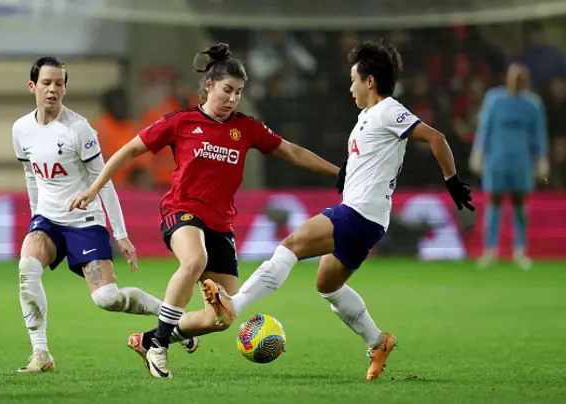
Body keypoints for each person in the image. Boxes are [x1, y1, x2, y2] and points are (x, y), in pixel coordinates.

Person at [201, 40, 475, 381]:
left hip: (360, 214)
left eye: (354, 80)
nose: (350, 87)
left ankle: (234, 305)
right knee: (327, 285)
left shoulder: (389, 110)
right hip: (366, 217)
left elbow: (436, 138)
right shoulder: (367, 117)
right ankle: (378, 341)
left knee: (290, 246)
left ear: (370, 81)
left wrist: (452, 181)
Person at [68, 43, 339, 379]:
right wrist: (94, 188)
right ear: (209, 86)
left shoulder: (247, 128)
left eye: (238, 92)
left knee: (222, 318)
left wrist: (339, 174)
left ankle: (149, 339)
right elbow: (129, 150)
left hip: (220, 224)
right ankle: (160, 348)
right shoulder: (181, 122)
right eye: (227, 90)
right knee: (194, 260)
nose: (232, 99)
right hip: (180, 211)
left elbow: (293, 152)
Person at [14, 57, 197, 373]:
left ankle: (174, 318)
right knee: (27, 271)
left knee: (107, 298)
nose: (53, 89)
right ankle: (41, 354)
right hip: (47, 221)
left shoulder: (79, 129)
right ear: (33, 86)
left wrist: (121, 234)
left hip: (85, 221)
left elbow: (105, 181)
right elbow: (31, 175)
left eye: (59, 83)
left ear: (66, 88)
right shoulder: (21, 129)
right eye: (46, 83)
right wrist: (35, 216)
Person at [469, 63, 549, 270]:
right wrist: (478, 153)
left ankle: (520, 250)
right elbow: (484, 128)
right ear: (507, 78)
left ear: (526, 80)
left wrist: (542, 159)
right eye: (513, 77)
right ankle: (490, 250)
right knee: (494, 203)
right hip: (496, 159)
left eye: (520, 77)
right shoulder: (494, 99)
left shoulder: (533, 104)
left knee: (519, 205)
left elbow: (538, 133)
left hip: (521, 160)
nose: (516, 81)